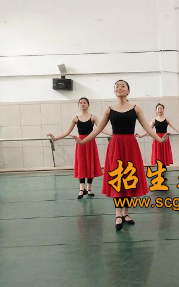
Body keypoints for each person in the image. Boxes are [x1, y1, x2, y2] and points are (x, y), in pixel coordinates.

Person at [72, 80, 169, 230]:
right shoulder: (109, 109)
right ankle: (118, 214)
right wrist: (83, 141)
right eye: (117, 86)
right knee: (117, 179)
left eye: (123, 86)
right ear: (114, 91)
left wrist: (159, 139)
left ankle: (126, 213)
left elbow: (147, 127)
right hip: (116, 147)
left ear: (128, 91)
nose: (119, 87)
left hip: (130, 147)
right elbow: (98, 129)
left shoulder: (136, 108)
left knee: (129, 179)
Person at [47, 97, 110, 199]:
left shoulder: (93, 117)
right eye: (80, 103)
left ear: (88, 104)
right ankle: (81, 189)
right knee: (81, 165)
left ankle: (89, 189)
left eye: (84, 103)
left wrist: (112, 134)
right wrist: (55, 138)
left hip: (90, 142)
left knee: (90, 164)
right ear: (79, 105)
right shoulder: (75, 118)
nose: (82, 104)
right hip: (80, 144)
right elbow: (67, 132)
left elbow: (101, 128)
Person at [136, 103, 179, 169]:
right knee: (158, 155)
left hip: (165, 139)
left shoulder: (167, 119)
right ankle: (160, 171)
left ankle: (164, 170)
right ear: (156, 110)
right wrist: (141, 135)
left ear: (163, 109)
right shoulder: (154, 120)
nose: (160, 110)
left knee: (164, 155)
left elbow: (174, 127)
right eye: (158, 109)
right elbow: (148, 130)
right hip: (157, 138)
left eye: (161, 108)